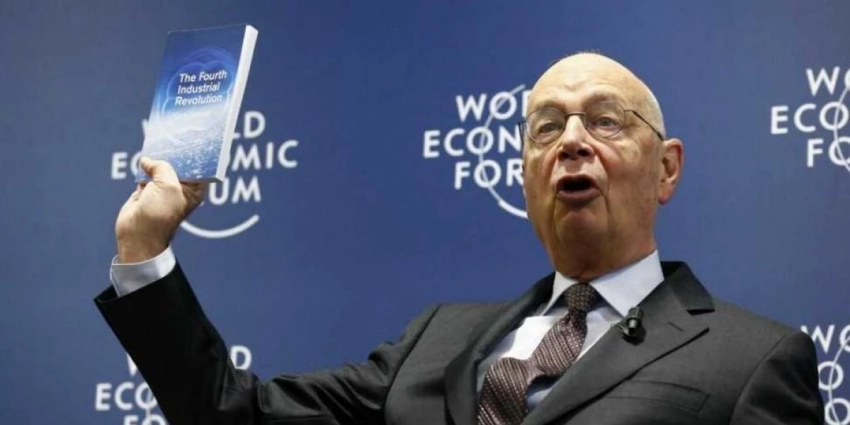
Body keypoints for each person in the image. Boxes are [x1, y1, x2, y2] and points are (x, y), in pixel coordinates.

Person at [96, 52, 824, 424]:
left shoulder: (752, 360)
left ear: (666, 168)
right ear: (525, 174)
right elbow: (236, 416)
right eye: (546, 127)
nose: (572, 141)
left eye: (606, 121)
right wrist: (145, 248)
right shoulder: (436, 340)